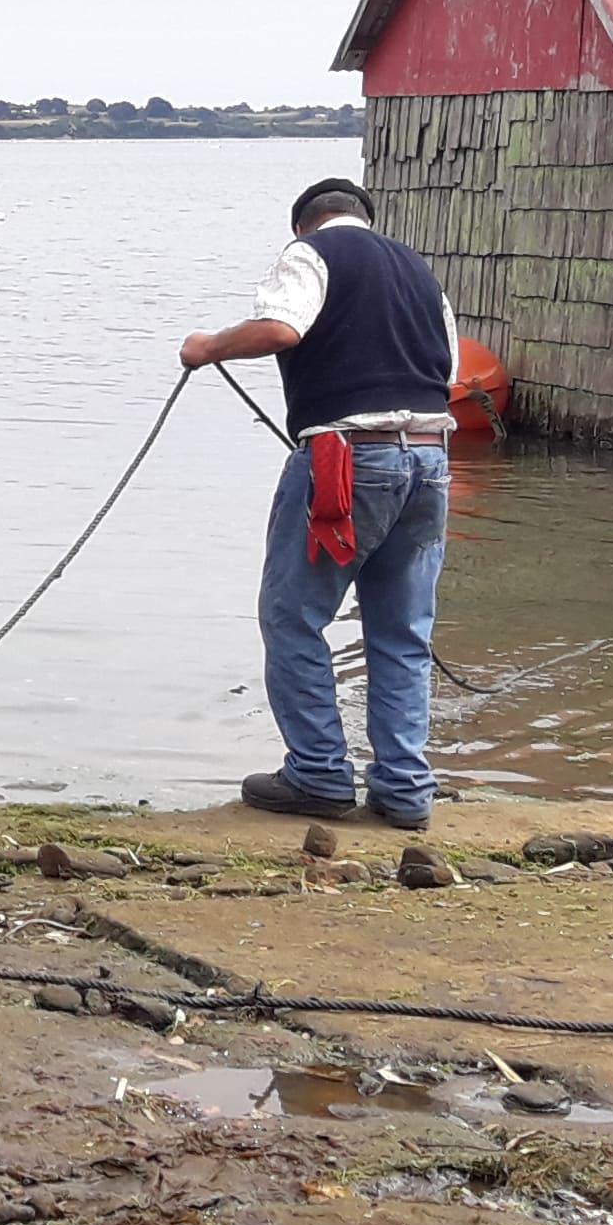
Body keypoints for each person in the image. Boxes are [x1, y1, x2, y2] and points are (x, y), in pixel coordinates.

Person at [181, 176, 459, 831]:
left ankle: (319, 774)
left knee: (293, 615)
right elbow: (443, 371)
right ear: (367, 218)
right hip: (430, 458)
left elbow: (281, 328)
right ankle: (405, 790)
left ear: (304, 226)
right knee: (402, 628)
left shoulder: (310, 256)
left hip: (346, 461)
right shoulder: (421, 273)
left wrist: (210, 347)